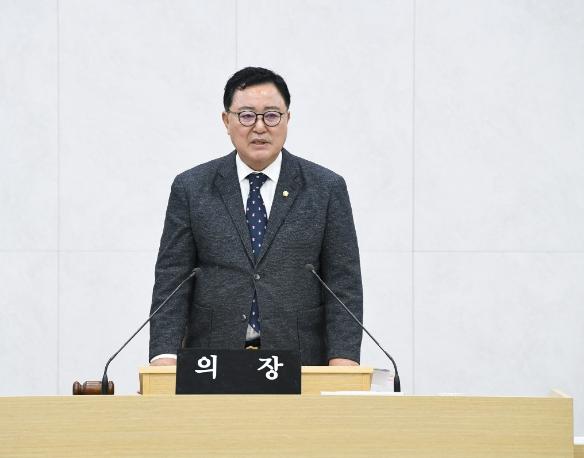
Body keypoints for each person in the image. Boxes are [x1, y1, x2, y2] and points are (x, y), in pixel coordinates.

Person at [149, 67, 363, 367]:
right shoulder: (191, 187)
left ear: (288, 119)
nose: (260, 127)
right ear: (226, 120)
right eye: (247, 116)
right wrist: (164, 356)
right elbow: (172, 279)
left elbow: (343, 283)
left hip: (301, 359)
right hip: (211, 361)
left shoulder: (325, 188)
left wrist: (344, 359)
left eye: (271, 115)